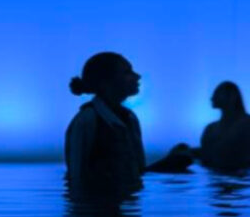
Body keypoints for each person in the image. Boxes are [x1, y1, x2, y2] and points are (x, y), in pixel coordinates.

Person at [65, 52, 193, 194]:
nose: (137, 76)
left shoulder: (130, 118)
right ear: (105, 82)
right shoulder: (87, 120)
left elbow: (137, 172)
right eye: (127, 72)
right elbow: (77, 176)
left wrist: (170, 162)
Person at [196, 81, 250, 171]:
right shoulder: (209, 128)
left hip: (237, 175)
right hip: (214, 175)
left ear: (232, 96)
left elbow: (228, 150)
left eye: (217, 93)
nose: (212, 98)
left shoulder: (246, 121)